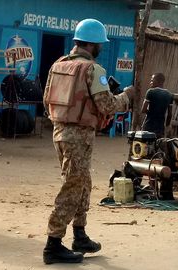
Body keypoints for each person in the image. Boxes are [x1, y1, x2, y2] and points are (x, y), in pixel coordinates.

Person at [43, 18, 135, 264]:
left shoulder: (58, 65)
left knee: (83, 183)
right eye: (101, 44)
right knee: (73, 185)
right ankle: (53, 243)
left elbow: (46, 101)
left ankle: (80, 235)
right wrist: (126, 97)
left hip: (60, 130)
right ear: (94, 44)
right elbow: (106, 104)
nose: (101, 48)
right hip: (79, 135)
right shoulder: (92, 70)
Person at [141, 73, 173, 138]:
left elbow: (143, 110)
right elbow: (170, 115)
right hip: (160, 128)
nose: (150, 82)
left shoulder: (150, 92)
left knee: (145, 146)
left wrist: (151, 113)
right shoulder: (170, 95)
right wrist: (166, 126)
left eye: (152, 80)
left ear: (159, 81)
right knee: (158, 146)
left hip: (148, 126)